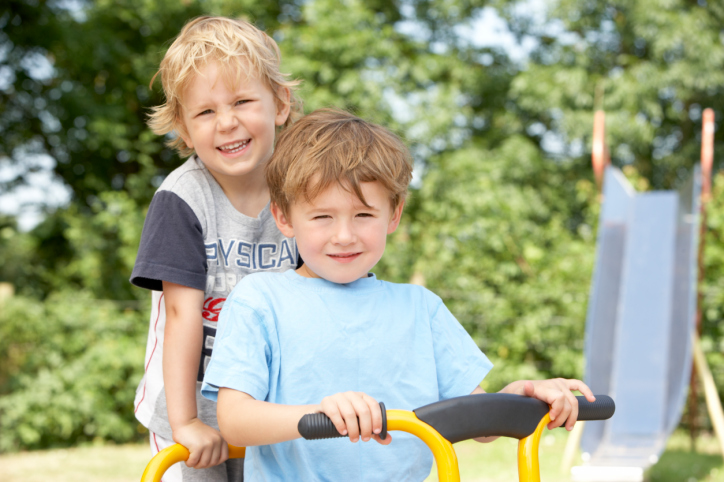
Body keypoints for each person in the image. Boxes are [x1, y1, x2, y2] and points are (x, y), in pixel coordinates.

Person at [200, 109, 596, 481]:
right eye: (322, 216)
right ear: (284, 217)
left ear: (393, 214)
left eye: (363, 215)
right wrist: (319, 413)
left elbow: (478, 422)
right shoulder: (262, 299)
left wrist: (522, 396)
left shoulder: (421, 308)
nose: (344, 235)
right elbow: (235, 420)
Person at [130, 16, 302, 482]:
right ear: (184, 129)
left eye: (243, 101)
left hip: (269, 409)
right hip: (191, 405)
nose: (227, 123)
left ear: (280, 103)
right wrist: (187, 423)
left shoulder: (304, 191)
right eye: (205, 112)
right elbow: (185, 315)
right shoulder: (182, 198)